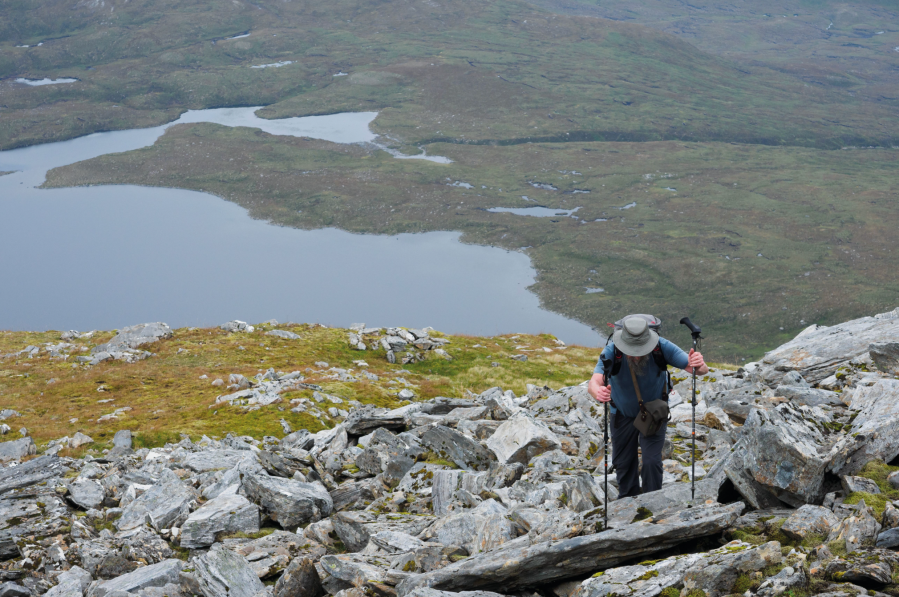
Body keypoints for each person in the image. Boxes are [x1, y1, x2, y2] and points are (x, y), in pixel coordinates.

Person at [587, 316, 708, 497]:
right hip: (621, 413)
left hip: (654, 413)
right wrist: (599, 392)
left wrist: (699, 363)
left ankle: (653, 503)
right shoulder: (612, 350)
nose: (636, 356)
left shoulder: (662, 347)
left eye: (641, 350)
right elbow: (594, 382)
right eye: (632, 350)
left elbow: (698, 370)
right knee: (623, 463)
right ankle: (628, 503)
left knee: (651, 462)